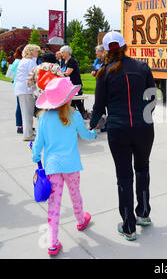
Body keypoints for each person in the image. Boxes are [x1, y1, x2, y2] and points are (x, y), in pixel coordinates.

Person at [89, 31, 156, 241]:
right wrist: (142, 116)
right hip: (144, 126)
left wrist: (91, 126)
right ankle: (143, 213)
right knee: (143, 169)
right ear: (126, 46)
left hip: (118, 129)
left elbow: (98, 106)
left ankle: (128, 225)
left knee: (124, 176)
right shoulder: (143, 67)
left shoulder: (104, 72)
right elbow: (152, 98)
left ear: (106, 50)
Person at [32, 77, 97, 256]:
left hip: (52, 168)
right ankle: (80, 220)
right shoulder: (74, 115)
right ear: (68, 97)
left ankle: (52, 242)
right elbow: (85, 134)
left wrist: (35, 156)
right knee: (75, 194)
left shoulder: (43, 118)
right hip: (72, 166)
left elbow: (38, 144)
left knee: (54, 204)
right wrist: (94, 134)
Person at [14, 44, 40, 141]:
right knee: (27, 114)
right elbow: (35, 76)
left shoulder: (24, 61)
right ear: (32, 52)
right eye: (36, 51)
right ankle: (28, 135)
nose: (37, 53)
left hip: (22, 89)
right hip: (26, 90)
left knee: (26, 113)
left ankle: (27, 133)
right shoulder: (30, 62)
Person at [60, 45, 87, 119]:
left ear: (67, 52)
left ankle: (82, 114)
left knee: (76, 100)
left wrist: (58, 73)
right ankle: (74, 115)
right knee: (71, 101)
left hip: (75, 84)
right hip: (67, 84)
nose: (61, 54)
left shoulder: (72, 61)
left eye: (62, 52)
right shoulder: (63, 61)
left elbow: (68, 72)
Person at [8, 44, 26, 134]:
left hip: (16, 85)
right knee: (20, 106)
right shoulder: (20, 62)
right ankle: (20, 126)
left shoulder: (16, 61)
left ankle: (21, 125)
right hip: (20, 86)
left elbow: (10, 74)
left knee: (20, 106)